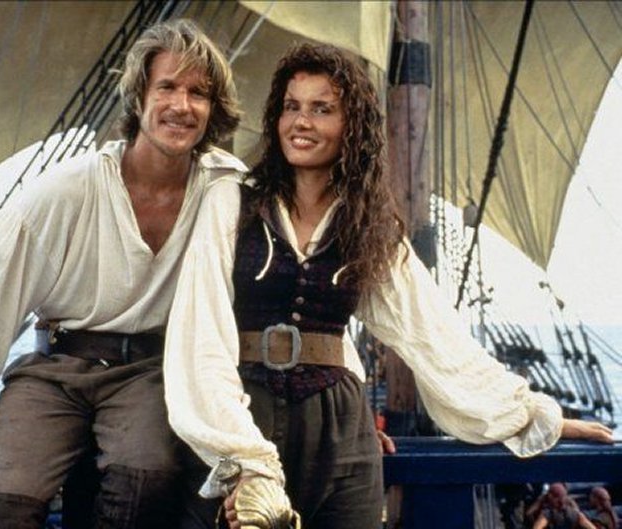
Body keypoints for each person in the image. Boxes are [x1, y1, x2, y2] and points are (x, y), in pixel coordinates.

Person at [162, 43, 614, 529]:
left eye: (321, 109)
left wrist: (532, 418)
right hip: (243, 414)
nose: (301, 122)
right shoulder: (231, 202)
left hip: (341, 431)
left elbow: (432, 334)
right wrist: (242, 456)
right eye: (292, 106)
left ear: (351, 126)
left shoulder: (368, 226)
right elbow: (200, 336)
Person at [0, 19, 244, 528]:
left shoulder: (223, 191)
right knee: (3, 499)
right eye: (167, 87)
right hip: (55, 371)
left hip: (149, 374)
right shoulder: (71, 187)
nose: (182, 105)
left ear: (213, 108)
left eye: (198, 93)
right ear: (139, 97)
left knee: (147, 478)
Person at [532, 483, 597, 529]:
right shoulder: (575, 514)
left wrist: (539, 501)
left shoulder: (548, 514)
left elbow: (536, 525)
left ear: (551, 496)